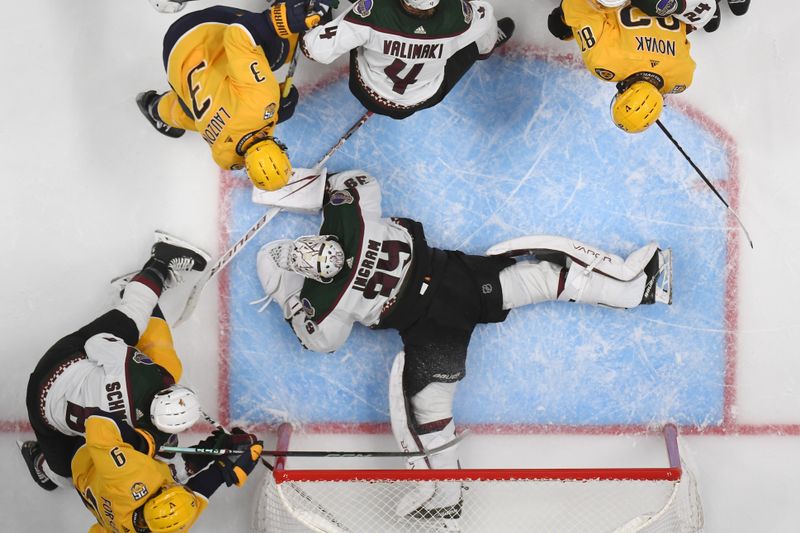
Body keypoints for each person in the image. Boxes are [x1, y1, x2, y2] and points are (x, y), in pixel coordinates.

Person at [255, 169, 672, 518]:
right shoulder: (356, 226)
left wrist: (292, 299)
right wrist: (317, 193)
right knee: (547, 277)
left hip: (432, 332)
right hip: (461, 283)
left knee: (430, 417)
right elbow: (357, 181)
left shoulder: (330, 303)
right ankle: (639, 290)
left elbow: (319, 341)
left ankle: (445, 502)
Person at [22, 232, 210, 491]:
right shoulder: (138, 445)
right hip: (44, 411)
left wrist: (129, 358)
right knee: (67, 479)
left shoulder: (137, 377)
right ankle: (39, 462)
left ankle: (154, 270)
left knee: (132, 318)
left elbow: (96, 343)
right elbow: (169, 466)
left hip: (58, 363)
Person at [137, 1, 332, 191]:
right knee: (193, 114)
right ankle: (155, 108)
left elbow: (238, 34)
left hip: (199, 30)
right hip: (174, 62)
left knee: (279, 49)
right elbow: (239, 128)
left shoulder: (262, 100)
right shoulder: (226, 159)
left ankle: (290, 8)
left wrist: (283, 20)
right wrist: (274, 117)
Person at [301, 0, 516, 119]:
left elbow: (313, 50)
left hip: (364, 88)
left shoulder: (374, 10)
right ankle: (485, 47)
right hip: (419, 100)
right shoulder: (460, 14)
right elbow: (485, 13)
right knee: (476, 37)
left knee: (358, 29)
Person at [72, 412, 262, 533]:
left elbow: (96, 423)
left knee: (163, 445)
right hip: (98, 506)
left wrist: (148, 443)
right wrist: (223, 470)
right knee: (173, 470)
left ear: (160, 493)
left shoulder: (127, 477)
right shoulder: (167, 524)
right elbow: (196, 495)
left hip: (85, 464)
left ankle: (47, 461)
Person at [547, 0, 699, 133]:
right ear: (624, 92)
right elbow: (578, 6)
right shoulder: (606, 63)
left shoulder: (682, 78)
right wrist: (563, 21)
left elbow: (685, 28)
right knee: (558, 25)